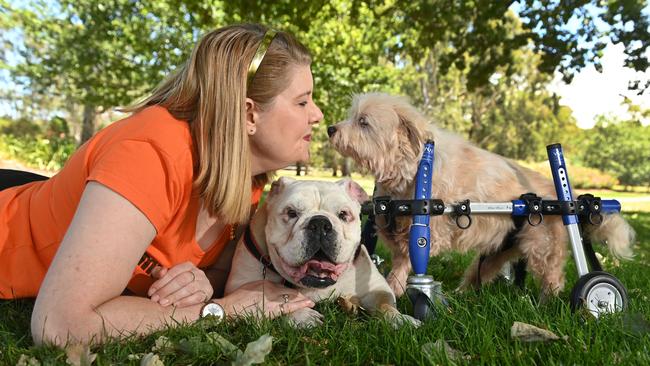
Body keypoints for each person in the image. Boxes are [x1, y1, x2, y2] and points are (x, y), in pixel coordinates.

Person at [0, 23, 324, 345]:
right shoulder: (149, 154)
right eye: (302, 101)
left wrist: (200, 285)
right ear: (249, 115)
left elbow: (219, 273)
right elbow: (58, 325)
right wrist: (219, 310)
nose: (318, 115)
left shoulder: (244, 179)